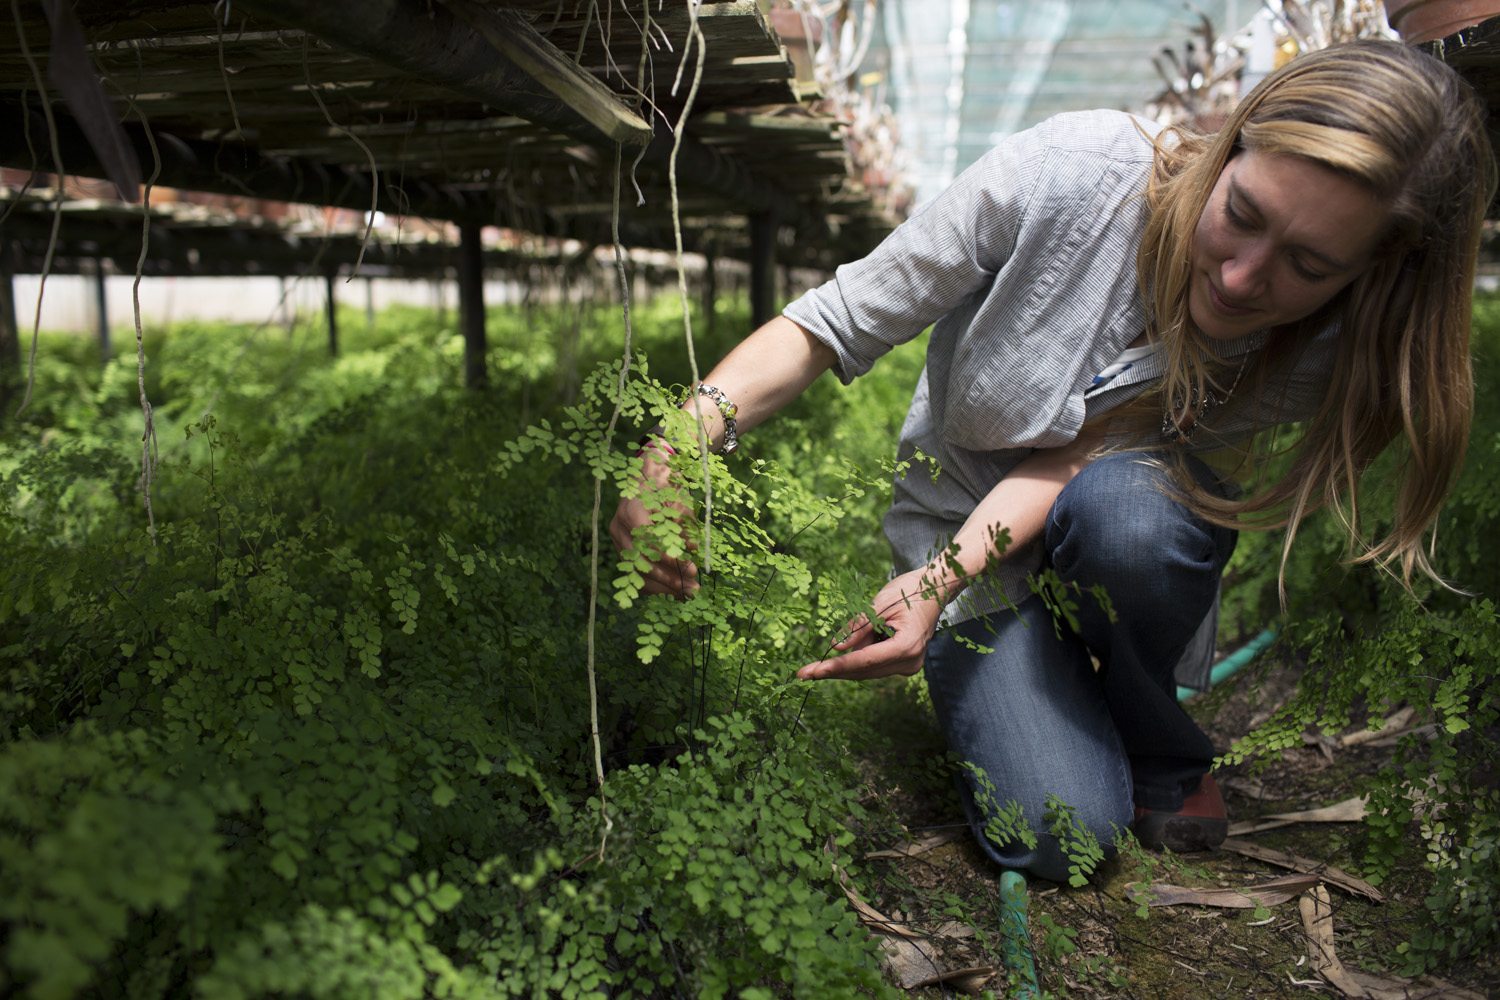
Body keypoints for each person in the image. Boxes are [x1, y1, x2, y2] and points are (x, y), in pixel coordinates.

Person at [609, 40, 1496, 883]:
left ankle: (1155, 732)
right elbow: (834, 321)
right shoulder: (1073, 173)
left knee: (1130, 516)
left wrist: (938, 584)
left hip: (1120, 521)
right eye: (1242, 216)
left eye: (1305, 264)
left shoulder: (1319, 345)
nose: (1238, 279)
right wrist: (677, 445)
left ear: (1365, 274)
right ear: (1231, 148)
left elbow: (1090, 459)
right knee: (1058, 834)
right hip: (965, 524)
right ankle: (1057, 684)